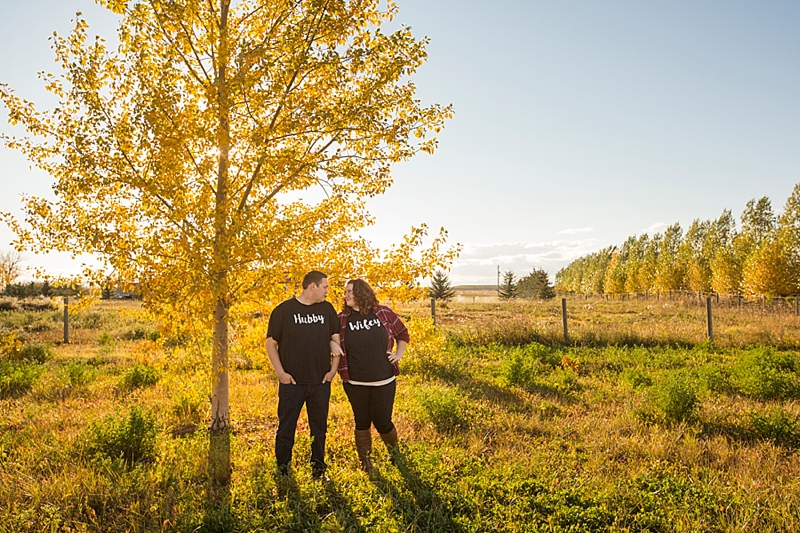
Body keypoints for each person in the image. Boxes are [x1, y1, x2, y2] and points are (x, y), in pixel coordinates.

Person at [267, 270, 343, 479]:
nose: (327, 291)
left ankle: (318, 470)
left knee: (319, 429)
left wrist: (333, 370)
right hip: (292, 383)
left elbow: (336, 340)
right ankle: (283, 471)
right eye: (325, 287)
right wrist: (280, 373)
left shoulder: (327, 309)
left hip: (320, 382)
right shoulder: (283, 310)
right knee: (286, 429)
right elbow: (270, 343)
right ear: (313, 286)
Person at [337, 279, 409, 472]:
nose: (346, 295)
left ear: (362, 292)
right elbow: (330, 340)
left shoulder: (383, 313)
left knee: (382, 420)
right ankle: (366, 461)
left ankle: (395, 454)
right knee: (361, 421)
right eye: (345, 292)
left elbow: (402, 333)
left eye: (350, 291)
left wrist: (398, 354)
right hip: (354, 381)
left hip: (384, 379)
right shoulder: (342, 319)